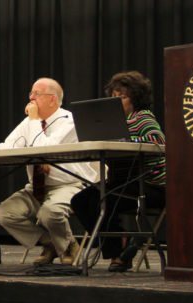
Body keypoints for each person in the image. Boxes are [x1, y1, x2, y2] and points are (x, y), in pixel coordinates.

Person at [71, 71, 166, 272]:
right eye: (113, 97)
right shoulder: (112, 125)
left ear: (136, 98)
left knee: (103, 200)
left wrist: (128, 142)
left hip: (151, 186)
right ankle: (118, 244)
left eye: (122, 97)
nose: (116, 101)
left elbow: (159, 142)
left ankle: (117, 253)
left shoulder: (143, 118)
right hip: (124, 184)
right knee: (79, 201)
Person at [0, 78, 96, 265]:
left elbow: (46, 148)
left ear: (52, 99)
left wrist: (34, 123)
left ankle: (66, 248)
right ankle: (53, 243)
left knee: (49, 213)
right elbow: (7, 148)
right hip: (37, 188)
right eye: (31, 93)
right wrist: (37, 158)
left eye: (37, 94)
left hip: (69, 184)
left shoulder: (69, 121)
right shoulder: (29, 123)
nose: (31, 98)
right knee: (4, 213)